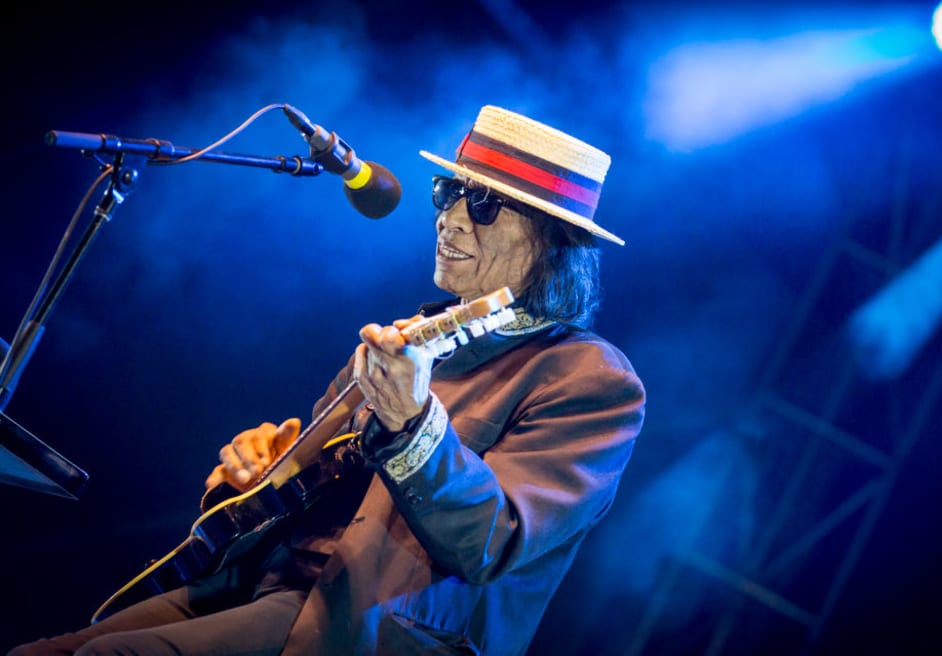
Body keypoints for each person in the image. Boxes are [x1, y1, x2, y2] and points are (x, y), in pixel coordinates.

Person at [9, 105, 646, 655]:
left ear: (553, 241)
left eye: (481, 203)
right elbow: (297, 480)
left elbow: (493, 541)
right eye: (446, 191)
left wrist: (416, 425)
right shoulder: (411, 335)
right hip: (262, 582)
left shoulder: (588, 378)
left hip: (363, 629)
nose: (450, 218)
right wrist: (258, 472)